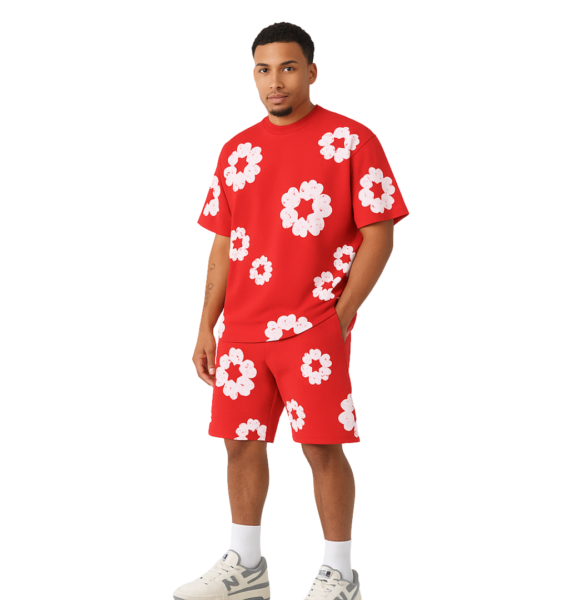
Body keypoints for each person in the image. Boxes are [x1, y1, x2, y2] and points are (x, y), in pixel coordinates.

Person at [174, 21, 409, 600]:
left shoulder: (351, 140)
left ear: (310, 71)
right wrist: (206, 325)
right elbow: (223, 246)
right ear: (253, 74)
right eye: (264, 69)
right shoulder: (236, 151)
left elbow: (379, 233)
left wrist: (341, 315)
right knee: (239, 442)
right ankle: (246, 567)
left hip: (313, 327)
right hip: (242, 329)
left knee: (321, 445)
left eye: (287, 68)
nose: (275, 81)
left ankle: (340, 574)